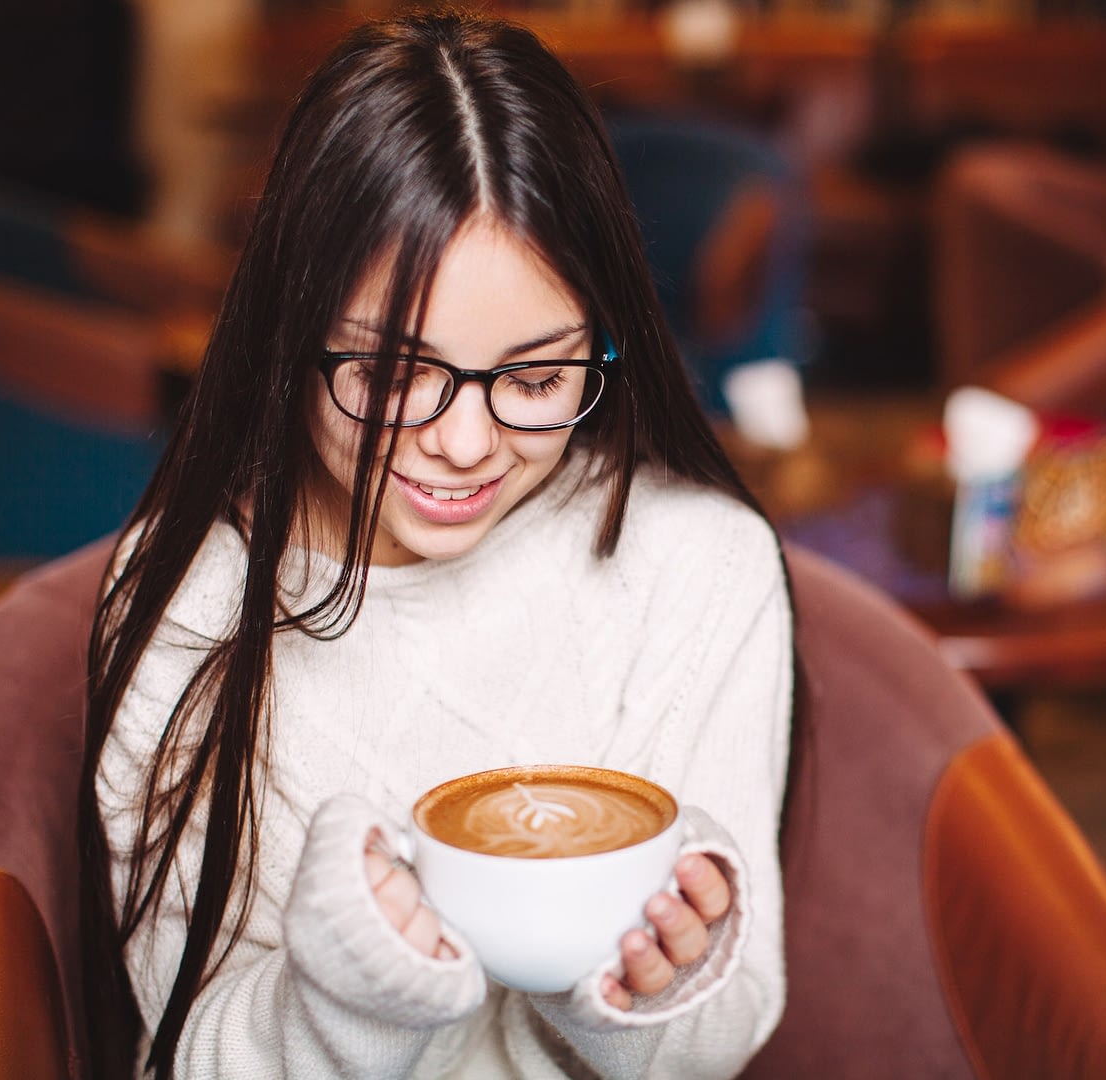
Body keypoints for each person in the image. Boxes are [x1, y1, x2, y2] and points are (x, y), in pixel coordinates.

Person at [76, 9, 796, 1079]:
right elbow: (190, 1051)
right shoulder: (186, 600)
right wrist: (343, 992)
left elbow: (727, 1027)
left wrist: (657, 988)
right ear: (290, 332)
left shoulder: (700, 567)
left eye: (537, 378)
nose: (464, 445)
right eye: (387, 373)